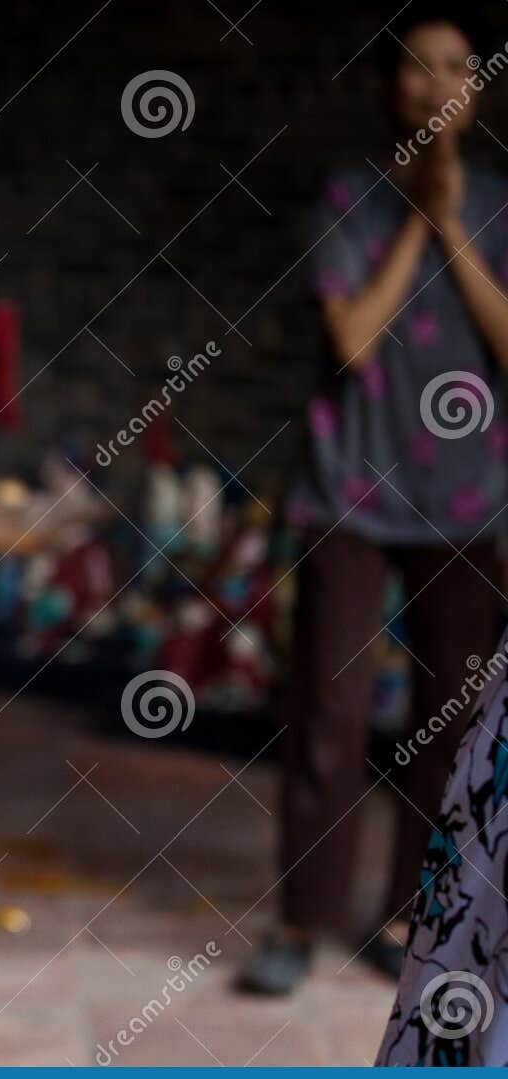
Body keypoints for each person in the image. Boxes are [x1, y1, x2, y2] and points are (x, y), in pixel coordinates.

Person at [238, 4, 508, 997]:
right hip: (349, 489)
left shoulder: (501, 207)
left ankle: (411, 911)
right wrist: (413, 218)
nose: (434, 83)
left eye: (454, 65)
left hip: (468, 498)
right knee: (328, 713)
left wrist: (451, 225)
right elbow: (353, 336)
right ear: (390, 86)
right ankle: (299, 922)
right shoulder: (348, 199)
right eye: (415, 65)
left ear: (476, 88)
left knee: (448, 718)